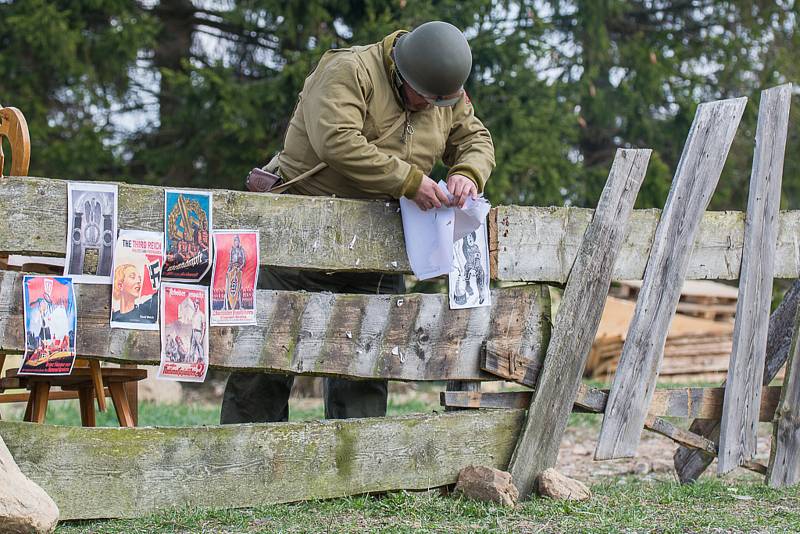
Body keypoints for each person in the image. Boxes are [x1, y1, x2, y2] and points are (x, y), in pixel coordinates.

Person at [221, 20, 495, 424]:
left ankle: (357, 471)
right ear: (403, 76)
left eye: (440, 103)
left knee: (368, 357)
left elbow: (475, 139)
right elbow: (337, 141)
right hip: (300, 231)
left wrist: (467, 173)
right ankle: (244, 467)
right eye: (424, 99)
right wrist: (409, 180)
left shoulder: (442, 92)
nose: (431, 109)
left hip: (378, 241)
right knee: (266, 354)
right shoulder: (349, 71)